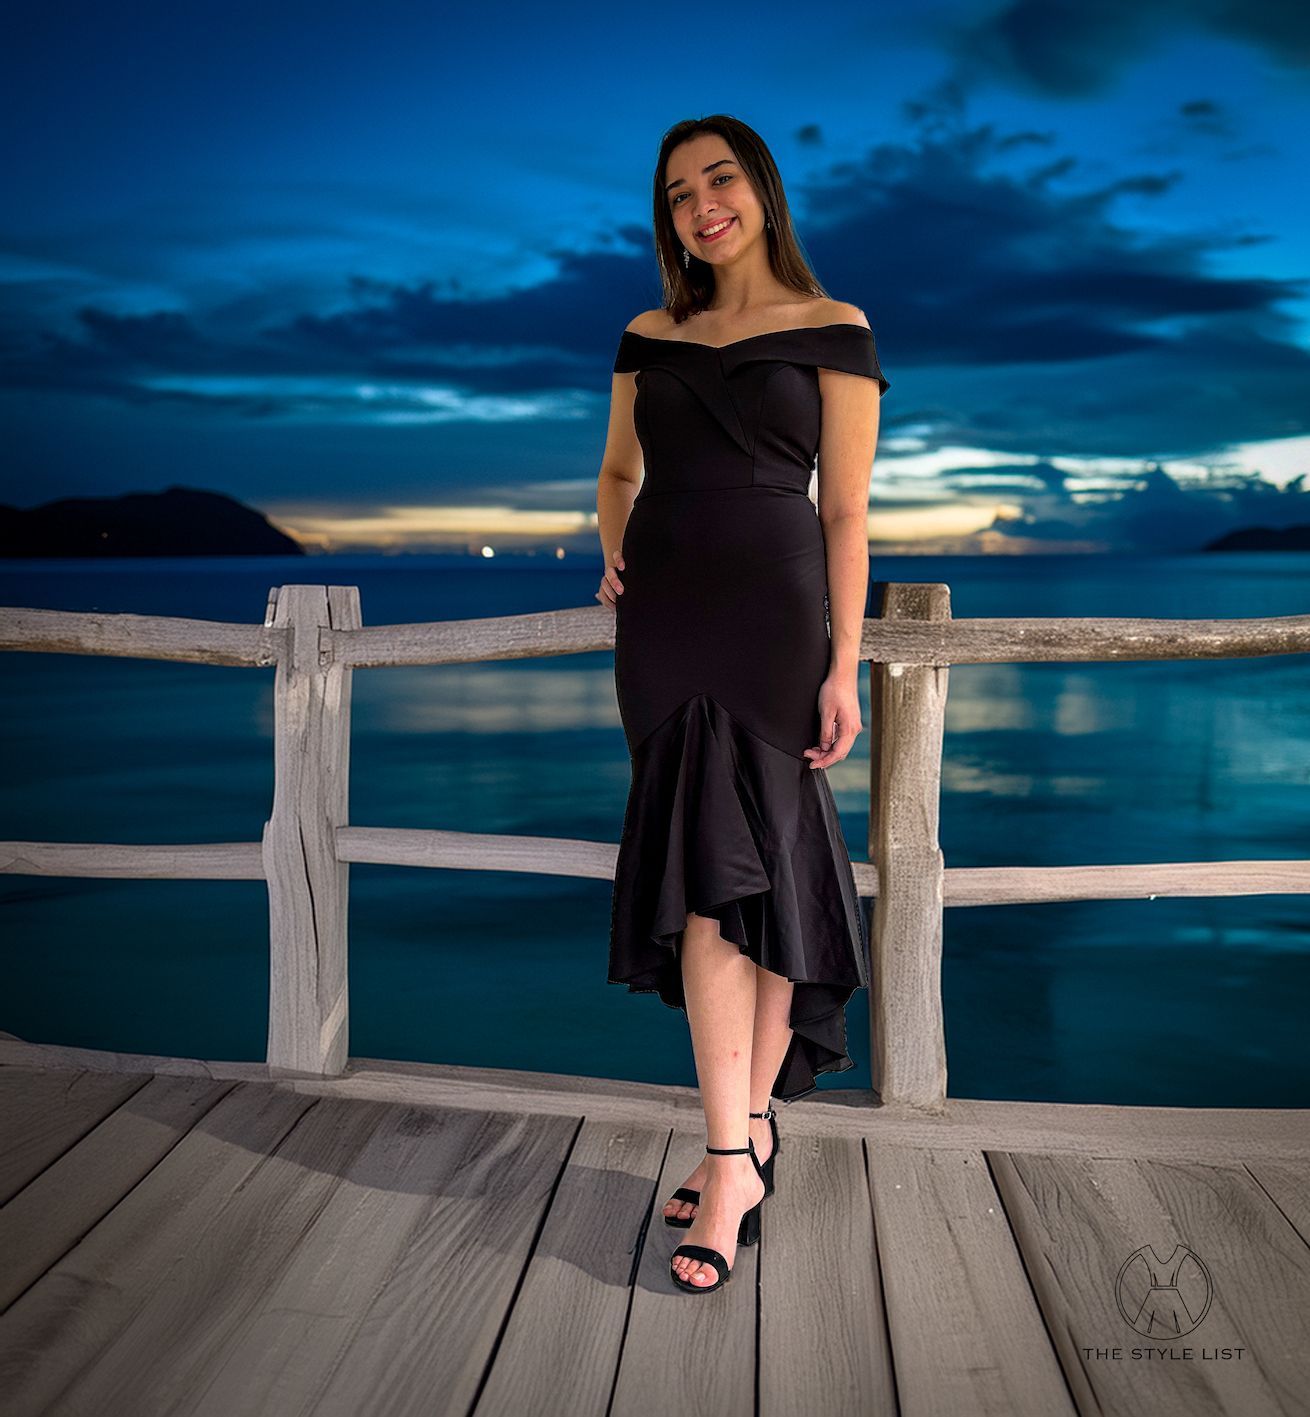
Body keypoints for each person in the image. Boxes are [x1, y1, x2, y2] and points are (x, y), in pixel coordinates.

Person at [594, 114, 888, 1295]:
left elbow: (846, 515)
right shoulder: (645, 332)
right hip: (662, 625)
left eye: (718, 178)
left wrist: (840, 663)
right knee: (708, 882)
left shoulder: (835, 328)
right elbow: (619, 472)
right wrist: (613, 550)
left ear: (759, 187)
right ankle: (740, 1145)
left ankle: (732, 1152)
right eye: (675, 192)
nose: (699, 204)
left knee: (755, 878)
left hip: (774, 622)